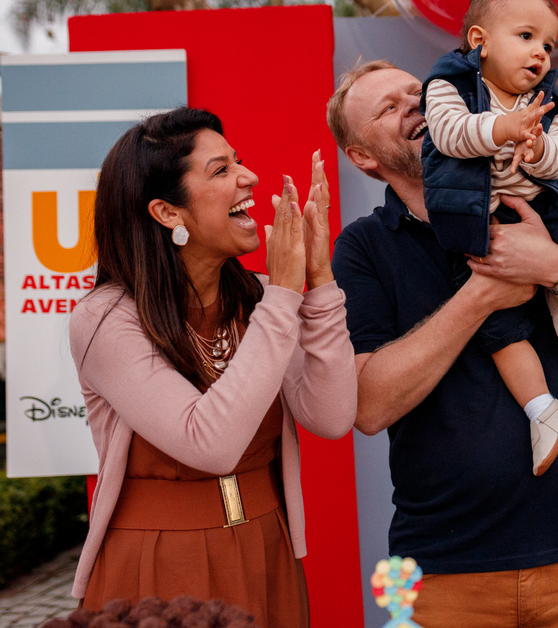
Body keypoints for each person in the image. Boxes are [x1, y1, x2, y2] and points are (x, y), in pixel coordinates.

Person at [328, 59, 558, 628]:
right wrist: (480, 295)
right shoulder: (363, 248)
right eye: (388, 107)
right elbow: (370, 405)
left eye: (416, 92)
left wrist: (554, 265)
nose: (414, 104)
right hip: (444, 575)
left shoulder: (541, 205)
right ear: (363, 157)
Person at [68, 107, 358, 625]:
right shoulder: (105, 318)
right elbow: (210, 444)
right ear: (167, 213)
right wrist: (286, 295)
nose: (249, 178)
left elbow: (332, 416)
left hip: (267, 547)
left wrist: (320, 282)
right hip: (157, 567)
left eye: (239, 162)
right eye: (221, 170)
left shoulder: (262, 301)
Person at [421, 0, 558, 476]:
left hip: (546, 213)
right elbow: (449, 135)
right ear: (479, 41)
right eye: (526, 36)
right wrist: (503, 128)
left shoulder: (544, 104)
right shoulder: (449, 85)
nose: (541, 54)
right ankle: (543, 410)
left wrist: (538, 152)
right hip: (480, 223)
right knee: (499, 328)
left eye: (549, 45)